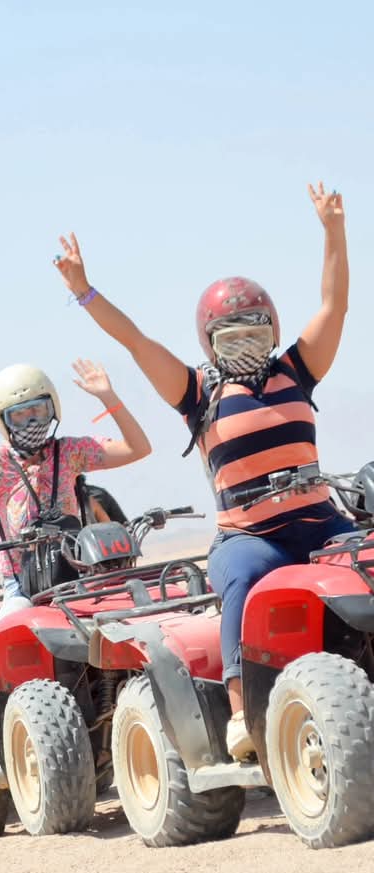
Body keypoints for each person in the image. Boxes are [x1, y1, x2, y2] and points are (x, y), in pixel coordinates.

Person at [53, 182, 350, 759]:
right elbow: (137, 343)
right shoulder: (198, 392)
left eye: (256, 331)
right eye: (230, 335)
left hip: (320, 524)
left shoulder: (298, 369)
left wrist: (332, 230)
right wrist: (85, 292)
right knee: (237, 579)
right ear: (208, 342)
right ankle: (242, 713)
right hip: (251, 537)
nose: (246, 344)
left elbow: (333, 307)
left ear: (273, 328)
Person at [0, 361, 151, 783]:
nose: (30, 422)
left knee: (137, 624)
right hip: (22, 584)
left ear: (52, 408)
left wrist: (107, 397)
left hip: (76, 576)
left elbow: (138, 449)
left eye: (38, 411)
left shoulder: (72, 451)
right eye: (19, 416)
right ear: (2, 422)